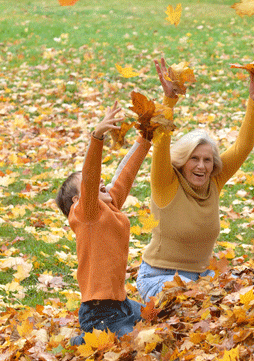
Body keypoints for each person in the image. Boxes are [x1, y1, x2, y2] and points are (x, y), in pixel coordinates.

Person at [136, 58, 254, 301]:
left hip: (200, 278)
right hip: (159, 277)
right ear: (182, 161)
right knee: (192, 299)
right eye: (194, 159)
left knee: (244, 300)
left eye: (207, 160)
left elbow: (243, 147)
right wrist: (169, 100)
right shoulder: (166, 183)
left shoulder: (213, 181)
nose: (201, 166)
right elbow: (161, 142)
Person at [55, 101, 153, 345]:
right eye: (93, 183)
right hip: (100, 312)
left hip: (123, 305)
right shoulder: (87, 214)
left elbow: (126, 174)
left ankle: (98, 337)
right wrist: (96, 137)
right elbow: (90, 174)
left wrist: (146, 136)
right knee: (132, 345)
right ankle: (85, 341)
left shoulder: (108, 207)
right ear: (79, 200)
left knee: (158, 319)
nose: (101, 181)